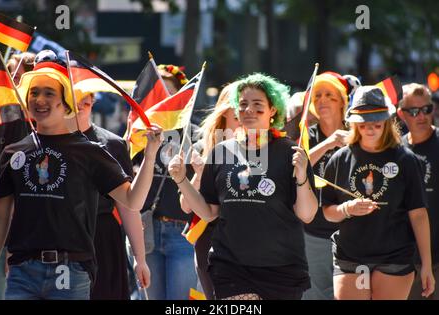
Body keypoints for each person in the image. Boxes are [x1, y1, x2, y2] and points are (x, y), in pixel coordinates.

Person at [0, 51, 161, 300]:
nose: (40, 100)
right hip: (21, 273)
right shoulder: (13, 153)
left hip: (71, 273)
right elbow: (0, 216)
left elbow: (132, 201)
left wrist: (151, 154)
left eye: (50, 93)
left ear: (66, 102)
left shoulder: (89, 152)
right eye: (34, 92)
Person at [169, 73, 318, 300]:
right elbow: (208, 212)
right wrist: (181, 180)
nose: (249, 110)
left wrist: (301, 177)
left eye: (257, 105)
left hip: (282, 270)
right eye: (243, 105)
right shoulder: (220, 152)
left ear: (273, 110)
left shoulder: (292, 154)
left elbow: (307, 215)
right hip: (231, 268)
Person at [322, 85, 435, 300]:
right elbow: (327, 211)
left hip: (395, 256)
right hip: (351, 256)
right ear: (353, 123)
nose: (370, 129)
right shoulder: (339, 159)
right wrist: (347, 208)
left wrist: (426, 266)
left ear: (387, 121)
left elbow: (418, 214)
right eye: (363, 124)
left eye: (377, 123)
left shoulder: (406, 159)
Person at [69, 92, 150, 299]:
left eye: (85, 99)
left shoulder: (112, 144)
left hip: (102, 238)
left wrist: (140, 258)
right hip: (63, 236)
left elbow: (128, 206)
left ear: (92, 100)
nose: (80, 104)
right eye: (73, 97)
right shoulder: (46, 143)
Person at [131, 64, 197, 300]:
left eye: (168, 96)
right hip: (145, 231)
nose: (162, 103)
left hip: (182, 234)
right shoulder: (139, 135)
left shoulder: (195, 135)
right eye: (157, 97)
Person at [180, 83, 240, 299]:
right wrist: (199, 174)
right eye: (236, 118)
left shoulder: (262, 152)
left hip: (249, 241)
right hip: (210, 242)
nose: (242, 124)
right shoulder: (202, 150)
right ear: (223, 118)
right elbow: (186, 206)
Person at [0, 52, 35, 300]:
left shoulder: (42, 126)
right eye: (10, 74)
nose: (13, 80)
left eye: (20, 75)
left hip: (17, 226)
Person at [303, 72, 350, 300]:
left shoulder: (358, 132)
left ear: (342, 101)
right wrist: (328, 143)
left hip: (352, 233)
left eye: (329, 95)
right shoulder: (306, 136)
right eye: (317, 95)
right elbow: (295, 168)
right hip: (313, 232)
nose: (322, 100)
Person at [397, 83, 439, 300]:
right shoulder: (397, 151)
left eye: (427, 109)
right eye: (414, 111)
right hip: (408, 259)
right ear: (401, 114)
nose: (422, 116)